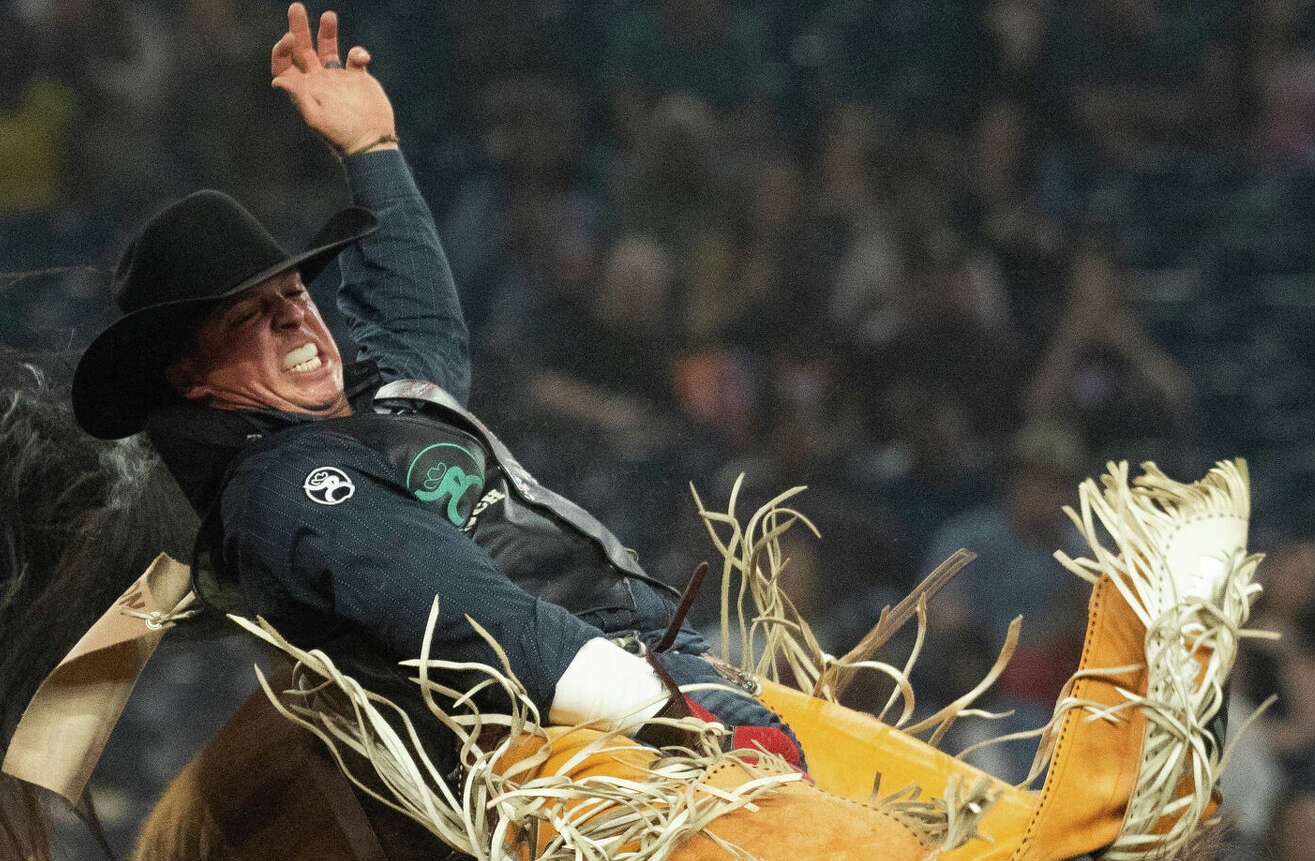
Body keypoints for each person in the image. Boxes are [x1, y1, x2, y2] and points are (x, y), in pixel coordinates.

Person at [68, 3, 796, 760]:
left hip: (649, 678)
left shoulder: (372, 410)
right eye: (247, 317)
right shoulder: (287, 485)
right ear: (192, 378)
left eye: (294, 292)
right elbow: (470, 619)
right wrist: (672, 713)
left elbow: (416, 321)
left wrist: (372, 150)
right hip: (584, 733)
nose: (294, 318)